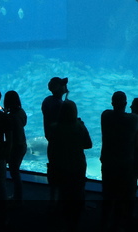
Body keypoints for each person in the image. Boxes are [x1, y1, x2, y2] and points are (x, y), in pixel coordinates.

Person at [47, 99, 92, 231]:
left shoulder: (54, 127)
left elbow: (51, 149)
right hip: (77, 166)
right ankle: (75, 219)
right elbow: (88, 145)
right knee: (77, 192)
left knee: (63, 192)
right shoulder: (79, 126)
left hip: (60, 166)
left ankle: (61, 217)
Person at [100, 90, 138, 231]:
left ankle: (104, 222)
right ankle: (119, 225)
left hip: (108, 161)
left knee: (108, 193)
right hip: (125, 163)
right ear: (126, 104)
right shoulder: (133, 119)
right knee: (123, 195)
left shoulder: (105, 115)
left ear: (112, 103)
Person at [41, 76, 68, 203]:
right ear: (59, 88)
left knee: (53, 171)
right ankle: (60, 203)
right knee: (61, 173)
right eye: (63, 85)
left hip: (51, 142)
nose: (65, 86)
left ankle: (52, 200)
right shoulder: (60, 105)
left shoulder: (47, 100)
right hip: (60, 144)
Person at [3, 90, 28, 203]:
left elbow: (10, 137)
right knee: (15, 171)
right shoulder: (21, 112)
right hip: (22, 144)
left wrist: (8, 152)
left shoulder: (10, 117)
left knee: (14, 172)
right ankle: (18, 196)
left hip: (15, 147)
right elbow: (23, 123)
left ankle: (18, 197)